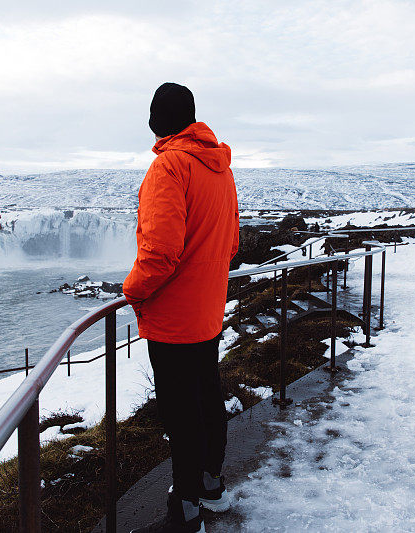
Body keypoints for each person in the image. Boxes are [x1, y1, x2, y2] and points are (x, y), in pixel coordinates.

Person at [125, 82, 239, 533]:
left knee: (180, 413)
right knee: (208, 398)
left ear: (162, 119)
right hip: (208, 311)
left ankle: (186, 504)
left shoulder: (167, 167)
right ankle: (212, 485)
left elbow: (159, 253)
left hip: (174, 318)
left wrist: (132, 291)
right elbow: (231, 244)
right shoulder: (220, 167)